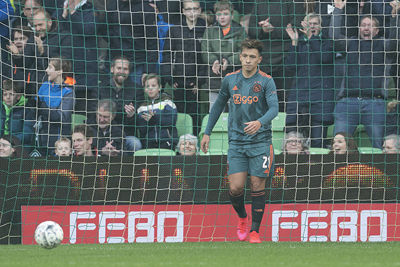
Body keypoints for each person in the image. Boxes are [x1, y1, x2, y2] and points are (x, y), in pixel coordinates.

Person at [200, 39, 279, 243]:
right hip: (236, 142)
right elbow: (217, 106)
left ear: (259, 59)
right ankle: (243, 217)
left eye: (252, 57)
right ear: (240, 57)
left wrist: (260, 123)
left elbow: (274, 109)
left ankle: (254, 231)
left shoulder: (266, 81)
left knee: (257, 184)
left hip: (260, 141)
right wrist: (207, 132)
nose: (248, 60)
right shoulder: (230, 79)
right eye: (245, 56)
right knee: (235, 187)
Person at [330, 0, 400, 149]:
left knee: (378, 146)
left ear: (377, 30)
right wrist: (337, 11)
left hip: (375, 103)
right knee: (339, 146)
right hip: (347, 103)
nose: (366, 27)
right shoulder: (351, 43)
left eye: (370, 25)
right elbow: (334, 37)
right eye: (363, 25)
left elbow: (395, 41)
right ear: (359, 28)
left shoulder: (384, 44)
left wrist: (395, 17)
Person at [285, 13, 335, 148]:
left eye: (315, 24)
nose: (312, 26)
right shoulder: (299, 42)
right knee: (293, 138)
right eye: (309, 23)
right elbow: (290, 66)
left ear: (321, 26)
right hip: (299, 96)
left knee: (318, 141)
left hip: (320, 98)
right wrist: (294, 42)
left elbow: (324, 58)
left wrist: (311, 38)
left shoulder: (327, 42)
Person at [247, 0, 306, 111]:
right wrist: (263, 30)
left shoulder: (294, 2)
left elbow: (297, 29)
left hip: (286, 59)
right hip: (264, 61)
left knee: (285, 101)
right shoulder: (259, 3)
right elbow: (251, 30)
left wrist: (272, 30)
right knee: (262, 102)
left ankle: (286, 127)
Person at [161, 0, 207, 135]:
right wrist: (170, 78)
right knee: (179, 114)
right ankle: (179, 142)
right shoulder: (175, 29)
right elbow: (167, 55)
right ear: (183, 11)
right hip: (177, 81)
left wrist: (200, 81)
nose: (191, 12)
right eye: (188, 9)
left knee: (196, 114)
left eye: (195, 9)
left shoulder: (205, 28)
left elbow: (205, 57)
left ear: (200, 10)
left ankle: (196, 142)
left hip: (197, 82)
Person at [201, 0, 247, 110]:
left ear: (232, 15)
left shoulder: (240, 31)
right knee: (215, 111)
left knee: (236, 111)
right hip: (214, 79)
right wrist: (215, 61)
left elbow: (244, 52)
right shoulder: (210, 31)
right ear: (215, 16)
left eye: (225, 14)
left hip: (235, 78)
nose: (222, 17)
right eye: (219, 14)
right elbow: (204, 51)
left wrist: (229, 61)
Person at [99, 56, 143, 152]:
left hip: (126, 134)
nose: (122, 72)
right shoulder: (100, 88)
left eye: (125, 69)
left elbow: (138, 120)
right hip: (103, 134)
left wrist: (131, 116)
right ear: (112, 69)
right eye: (119, 68)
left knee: (135, 144)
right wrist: (122, 112)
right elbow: (93, 112)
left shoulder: (137, 90)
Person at [36, 57, 74, 155]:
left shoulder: (68, 92)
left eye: (50, 67)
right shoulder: (44, 85)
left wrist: (43, 106)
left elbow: (61, 117)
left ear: (59, 71)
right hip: (42, 133)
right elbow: (35, 107)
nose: (46, 70)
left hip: (58, 136)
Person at [137, 74, 178, 150]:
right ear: (144, 89)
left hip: (167, 140)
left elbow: (171, 121)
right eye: (147, 86)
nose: (150, 89)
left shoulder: (167, 102)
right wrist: (149, 121)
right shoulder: (141, 107)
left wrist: (155, 118)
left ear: (159, 87)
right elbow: (142, 129)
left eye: (153, 85)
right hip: (149, 142)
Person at [0, 79, 35, 152]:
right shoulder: (1, 109)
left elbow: (27, 135)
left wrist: (9, 141)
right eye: (5, 94)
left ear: (18, 96)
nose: (8, 97)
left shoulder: (26, 110)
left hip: (18, 146)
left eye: (11, 94)